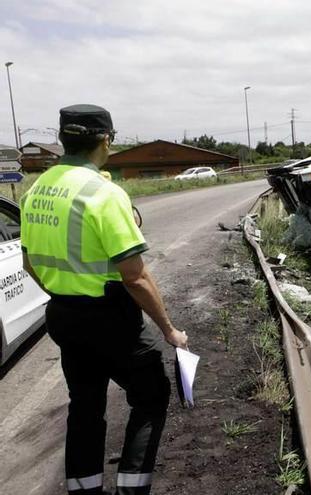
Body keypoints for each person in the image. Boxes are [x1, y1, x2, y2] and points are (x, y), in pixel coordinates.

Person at [19, 104, 188, 495]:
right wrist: (170, 331)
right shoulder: (103, 193)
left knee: (85, 407)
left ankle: (85, 490)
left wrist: (65, 296)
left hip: (62, 315)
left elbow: (30, 263)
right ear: (106, 140)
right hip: (111, 318)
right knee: (151, 395)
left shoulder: (35, 191)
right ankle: (132, 488)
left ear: (64, 139)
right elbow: (136, 277)